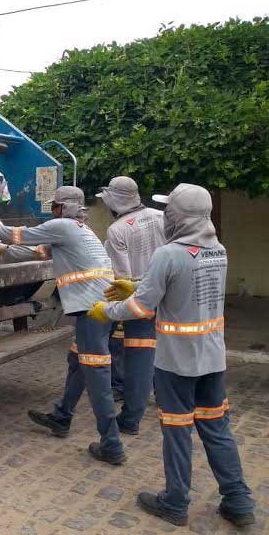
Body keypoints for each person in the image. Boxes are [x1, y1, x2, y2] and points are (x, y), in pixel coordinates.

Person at [88, 183, 254, 526]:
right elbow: (180, 287)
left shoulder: (168, 253)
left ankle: (175, 502)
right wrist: (139, 284)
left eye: (170, 209)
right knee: (216, 427)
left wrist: (109, 310)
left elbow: (141, 307)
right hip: (212, 359)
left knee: (177, 431)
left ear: (178, 216)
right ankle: (238, 500)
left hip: (177, 363)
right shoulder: (217, 250)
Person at [0, 186, 126, 464]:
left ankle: (112, 445)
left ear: (63, 208)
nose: (51, 210)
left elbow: (14, 234)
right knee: (77, 362)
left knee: (98, 376)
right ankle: (62, 416)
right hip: (101, 309)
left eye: (54, 205)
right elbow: (36, 251)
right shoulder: (80, 229)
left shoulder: (62, 225)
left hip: (93, 311)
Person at [95, 175, 166, 433]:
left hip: (140, 300)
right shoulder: (161, 216)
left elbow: (123, 277)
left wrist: (113, 309)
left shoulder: (117, 230)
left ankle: (131, 419)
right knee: (163, 352)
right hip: (167, 296)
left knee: (139, 359)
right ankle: (167, 400)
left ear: (115, 201)